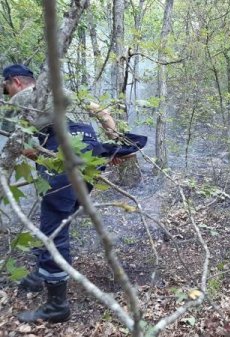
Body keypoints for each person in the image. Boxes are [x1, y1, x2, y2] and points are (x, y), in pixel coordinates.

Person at [1, 64, 128, 323]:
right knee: (60, 220)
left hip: (62, 161)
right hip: (91, 156)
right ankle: (40, 273)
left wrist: (42, 154)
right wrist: (114, 142)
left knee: (53, 229)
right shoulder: (59, 90)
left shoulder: (20, 101)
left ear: (15, 81)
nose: (6, 93)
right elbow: (101, 112)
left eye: (5, 87)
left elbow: (22, 147)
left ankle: (56, 306)